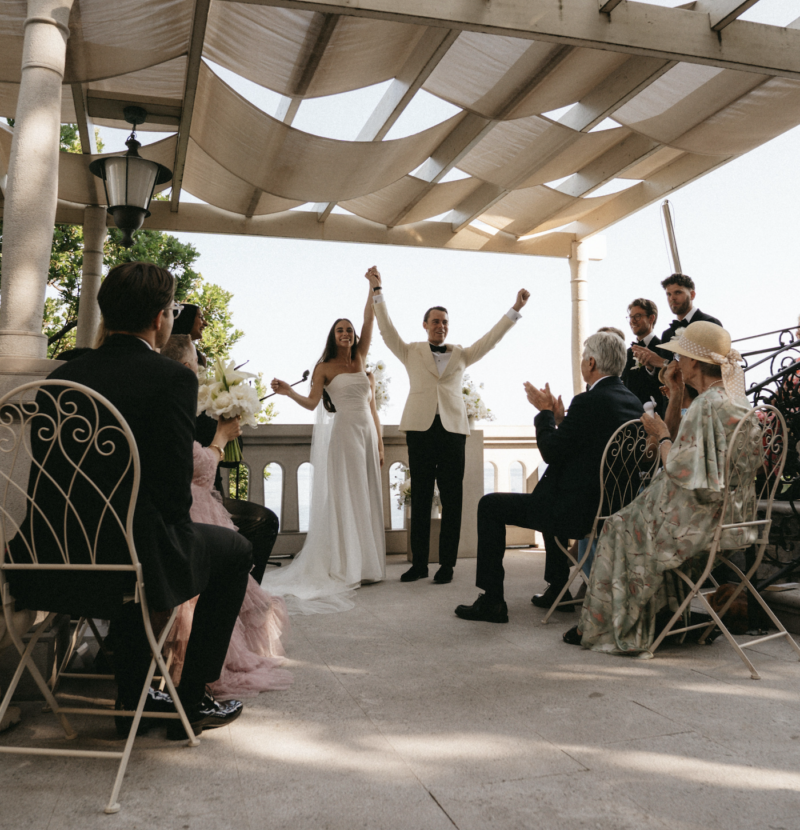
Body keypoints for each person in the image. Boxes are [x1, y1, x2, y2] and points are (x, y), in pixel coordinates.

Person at [7, 262, 251, 738]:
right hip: (128, 566)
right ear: (160, 318)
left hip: (44, 562)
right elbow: (173, 493)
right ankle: (192, 700)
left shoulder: (60, 380)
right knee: (232, 550)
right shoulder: (171, 379)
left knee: (136, 535)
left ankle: (134, 698)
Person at [565, 322, 757, 654]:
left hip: (698, 523)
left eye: (681, 356)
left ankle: (611, 624)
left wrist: (660, 435)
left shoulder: (706, 405)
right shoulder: (735, 402)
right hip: (733, 518)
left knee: (616, 526)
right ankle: (664, 617)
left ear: (695, 362)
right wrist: (677, 392)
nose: (677, 362)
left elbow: (678, 467)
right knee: (632, 519)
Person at [455, 332, 643, 623]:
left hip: (577, 514)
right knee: (553, 493)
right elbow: (585, 445)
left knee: (490, 505)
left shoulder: (587, 401)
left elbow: (551, 452)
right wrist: (560, 420)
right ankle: (558, 590)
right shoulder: (633, 403)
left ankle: (492, 600)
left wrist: (544, 414)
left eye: (584, 357)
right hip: (612, 510)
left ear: (591, 363)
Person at [369, 267, 529, 586]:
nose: (440, 326)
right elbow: (386, 330)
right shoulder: (411, 350)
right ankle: (419, 565)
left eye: (444, 322)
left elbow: (491, 340)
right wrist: (377, 292)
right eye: (435, 321)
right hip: (420, 429)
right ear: (425, 325)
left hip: (453, 432)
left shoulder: (461, 354)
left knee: (452, 500)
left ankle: (447, 565)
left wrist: (515, 309)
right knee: (421, 496)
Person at [160, 335, 291, 698]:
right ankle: (195, 687)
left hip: (163, 507)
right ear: (185, 369)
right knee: (238, 546)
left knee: (256, 525)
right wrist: (220, 439)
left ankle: (239, 622)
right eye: (196, 368)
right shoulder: (171, 394)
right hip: (178, 510)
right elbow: (197, 471)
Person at [263, 278, 385, 613]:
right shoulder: (324, 367)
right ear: (333, 336)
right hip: (344, 434)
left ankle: (368, 565)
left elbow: (369, 319)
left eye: (349, 330)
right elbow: (312, 402)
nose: (346, 333)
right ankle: (348, 565)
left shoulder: (361, 359)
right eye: (340, 330)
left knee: (366, 495)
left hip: (366, 434)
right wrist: (289, 392)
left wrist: (373, 288)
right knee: (348, 494)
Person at [632, 274, 721, 371]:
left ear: (692, 295)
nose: (672, 298)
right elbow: (664, 377)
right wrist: (650, 365)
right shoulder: (666, 335)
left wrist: (663, 362)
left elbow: (711, 369)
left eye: (678, 292)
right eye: (669, 294)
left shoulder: (710, 323)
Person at [621, 298, 666, 416]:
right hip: (630, 417)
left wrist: (651, 369)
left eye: (637, 316)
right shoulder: (627, 353)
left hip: (657, 415)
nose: (632, 321)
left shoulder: (663, 348)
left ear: (651, 318)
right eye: (630, 317)